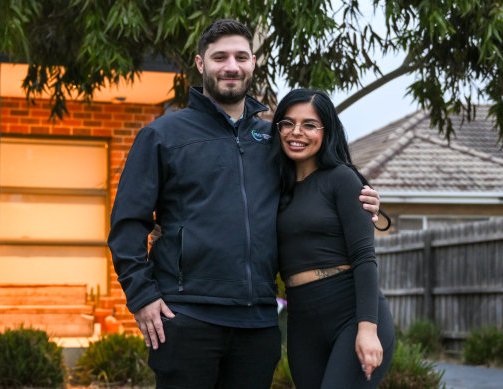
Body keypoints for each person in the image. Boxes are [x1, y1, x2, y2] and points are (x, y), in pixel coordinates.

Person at [108, 19, 381, 389]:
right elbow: (127, 225)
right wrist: (142, 296)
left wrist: (362, 201)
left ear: (253, 63)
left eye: (240, 56)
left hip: (257, 324)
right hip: (187, 317)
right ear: (201, 64)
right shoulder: (161, 136)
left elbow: (315, 188)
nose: (231, 66)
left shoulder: (273, 140)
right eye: (219, 57)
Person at [273, 88, 395, 388]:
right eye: (287, 123)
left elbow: (365, 257)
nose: (296, 132)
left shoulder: (342, 179)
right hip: (301, 318)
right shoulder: (273, 186)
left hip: (350, 314)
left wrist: (367, 328)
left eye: (309, 125)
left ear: (326, 131)